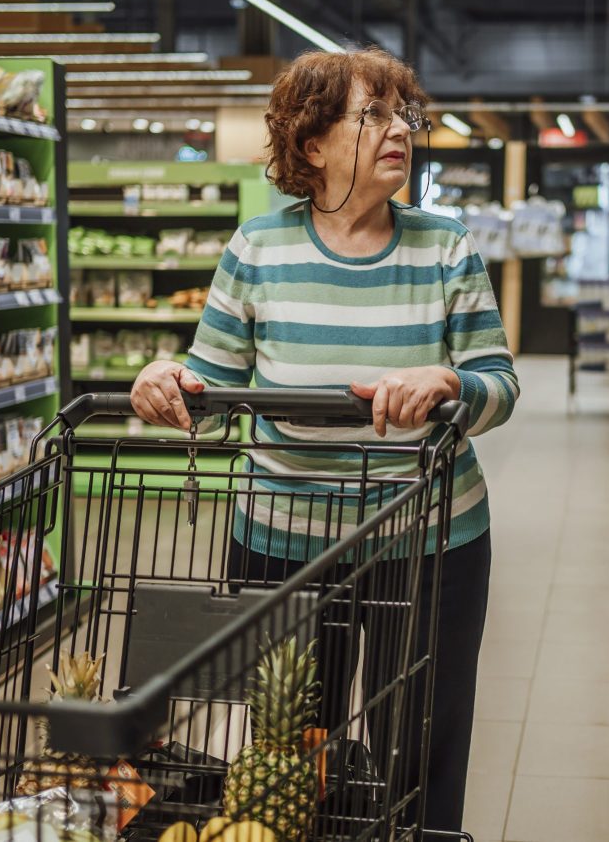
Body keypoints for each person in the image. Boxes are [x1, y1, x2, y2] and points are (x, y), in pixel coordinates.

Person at [130, 46, 518, 831]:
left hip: (431, 544)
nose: (398, 129)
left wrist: (448, 384)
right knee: (284, 748)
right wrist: (164, 382)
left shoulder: (446, 248)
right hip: (284, 541)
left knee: (422, 751)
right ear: (312, 144)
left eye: (403, 113)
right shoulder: (256, 249)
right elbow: (208, 387)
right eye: (371, 114)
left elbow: (499, 388)